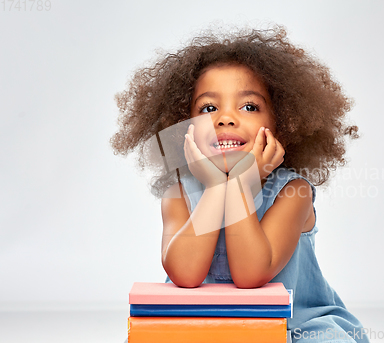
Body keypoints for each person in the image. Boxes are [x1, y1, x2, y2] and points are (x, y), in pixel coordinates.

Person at [111, 26, 369, 343]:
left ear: (283, 125)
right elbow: (185, 274)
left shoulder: (293, 193)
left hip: (295, 326)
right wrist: (217, 186)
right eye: (209, 108)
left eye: (249, 106)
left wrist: (239, 185)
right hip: (202, 325)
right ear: (185, 129)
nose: (226, 118)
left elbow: (251, 275)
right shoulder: (178, 194)